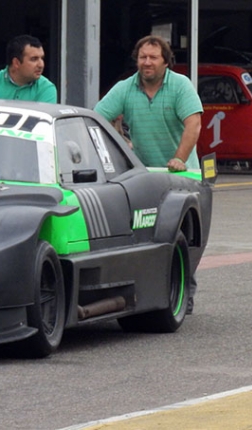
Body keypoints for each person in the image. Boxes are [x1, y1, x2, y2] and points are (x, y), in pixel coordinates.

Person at [94, 35, 203, 313]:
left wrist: (179, 158)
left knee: (181, 237)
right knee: (147, 235)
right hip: (145, 176)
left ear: (166, 61)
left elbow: (194, 125)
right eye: (142, 57)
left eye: (153, 57)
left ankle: (183, 289)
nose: (147, 63)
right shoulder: (125, 88)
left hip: (182, 174)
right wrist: (120, 144)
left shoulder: (180, 86)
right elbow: (98, 118)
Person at [0, 34, 57, 103]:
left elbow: (41, 125)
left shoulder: (46, 89)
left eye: (42, 58)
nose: (41, 65)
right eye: (34, 59)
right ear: (16, 63)